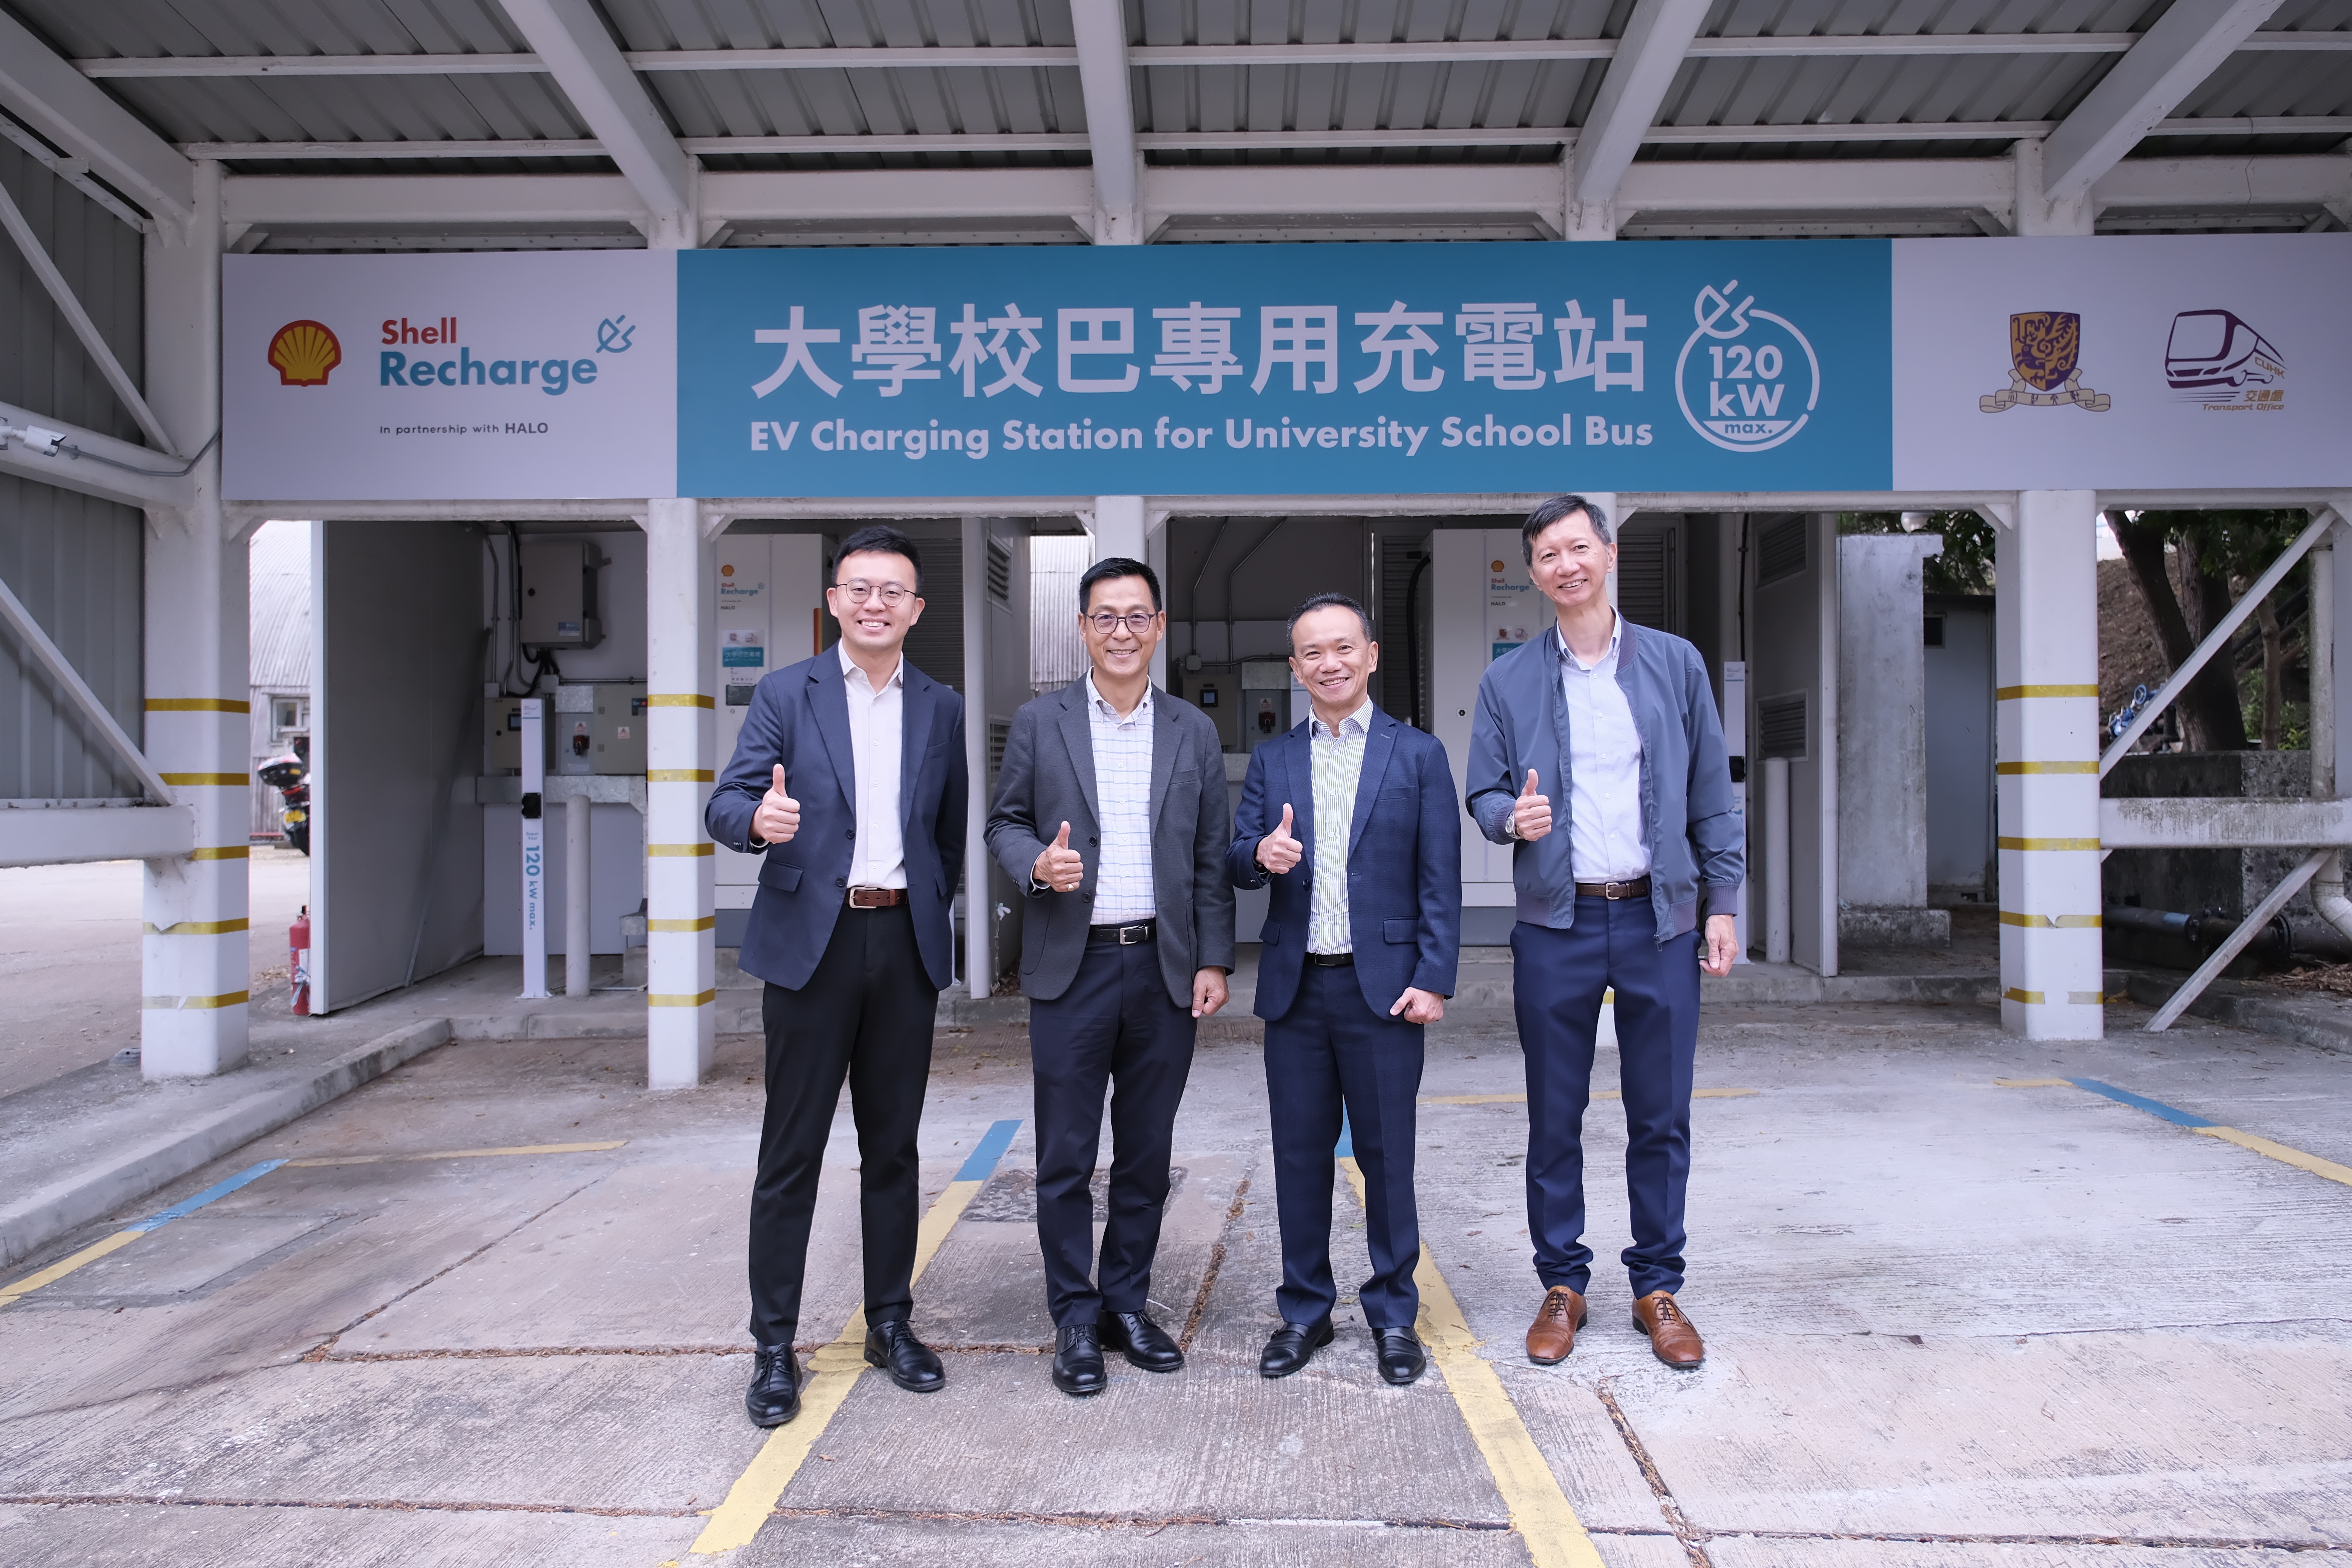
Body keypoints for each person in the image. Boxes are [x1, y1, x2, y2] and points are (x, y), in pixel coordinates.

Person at [1465, 495, 1743, 1372]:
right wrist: (1516, 817)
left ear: (1609, 553)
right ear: (1535, 571)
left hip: (1660, 918)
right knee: (1556, 1112)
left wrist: (1722, 902)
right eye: (1547, 554)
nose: (1565, 564)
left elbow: (1711, 790)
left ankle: (1659, 1285)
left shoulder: (1674, 664)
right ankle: (1564, 1283)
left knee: (1660, 1113)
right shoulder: (1507, 679)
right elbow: (1482, 794)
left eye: (1577, 547)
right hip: (1559, 922)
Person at [706, 525, 966, 1427]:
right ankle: (774, 1346)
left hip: (902, 948)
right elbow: (726, 800)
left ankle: (890, 1324)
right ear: (834, 600)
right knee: (792, 1155)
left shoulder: (944, 707)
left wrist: (924, 909)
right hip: (811, 950)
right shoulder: (788, 693)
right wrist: (759, 820)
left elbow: (946, 835)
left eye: (894, 590)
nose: (875, 603)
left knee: (893, 1151)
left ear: (916, 609)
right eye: (860, 587)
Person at [985, 556, 1236, 1398]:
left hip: (1162, 967)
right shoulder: (1039, 721)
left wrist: (1211, 957)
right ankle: (1073, 1318)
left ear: (1159, 627)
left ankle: (1125, 1303)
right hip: (1072, 962)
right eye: (1105, 617)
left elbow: (1209, 858)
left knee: (1145, 1151)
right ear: (1084, 629)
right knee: (1064, 1154)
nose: (1121, 631)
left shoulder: (1191, 732)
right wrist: (1035, 865)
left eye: (1137, 616)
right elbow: (1005, 822)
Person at [1228, 593, 1460, 1386]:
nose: (1328, 663)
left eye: (1341, 648)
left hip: (1386, 992)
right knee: (1299, 1157)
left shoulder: (1418, 754)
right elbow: (1235, 855)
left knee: (1387, 1157)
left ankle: (1395, 1312)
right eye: (1311, 653)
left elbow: (1440, 878)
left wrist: (1435, 978)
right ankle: (1305, 1311)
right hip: (1297, 990)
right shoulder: (1274, 759)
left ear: (1369, 654)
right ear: (1295, 669)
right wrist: (1261, 853)